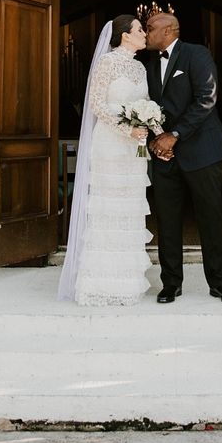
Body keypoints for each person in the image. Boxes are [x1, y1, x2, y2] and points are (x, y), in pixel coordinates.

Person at [145, 13, 222, 306]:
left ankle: (220, 284)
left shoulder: (196, 54)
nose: (146, 33)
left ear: (169, 30)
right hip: (164, 156)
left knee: (211, 219)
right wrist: (158, 140)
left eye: (150, 28)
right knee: (167, 220)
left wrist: (174, 134)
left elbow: (206, 98)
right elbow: (147, 106)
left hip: (201, 152)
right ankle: (171, 284)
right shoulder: (147, 63)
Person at [57, 16, 153, 306]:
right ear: (125, 35)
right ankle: (100, 282)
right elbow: (97, 104)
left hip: (135, 149)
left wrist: (150, 126)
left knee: (129, 210)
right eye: (139, 30)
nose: (144, 33)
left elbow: (145, 103)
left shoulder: (139, 67)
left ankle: (127, 280)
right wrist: (127, 128)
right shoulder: (107, 63)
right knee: (108, 210)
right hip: (110, 144)